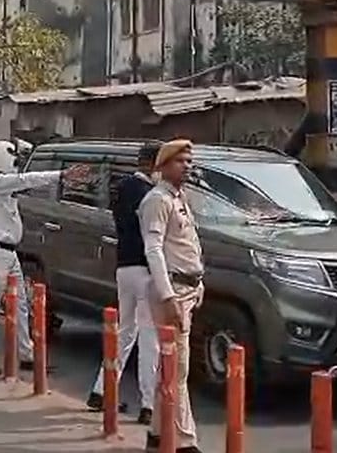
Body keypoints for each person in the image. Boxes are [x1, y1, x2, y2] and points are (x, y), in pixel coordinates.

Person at [0, 139, 73, 375]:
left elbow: (24, 182)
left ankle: (26, 354)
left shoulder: (1, 185)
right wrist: (61, 174)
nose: (16, 164)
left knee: (22, 304)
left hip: (8, 252)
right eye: (14, 159)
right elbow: (26, 180)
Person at [86, 140, 163, 425]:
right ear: (154, 163)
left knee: (125, 333)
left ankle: (100, 391)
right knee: (149, 338)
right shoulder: (151, 194)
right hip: (145, 269)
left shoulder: (123, 188)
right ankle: (148, 405)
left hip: (124, 268)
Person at [140, 139, 203, 453]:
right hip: (172, 291)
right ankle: (184, 442)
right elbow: (153, 250)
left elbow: (186, 245)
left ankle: (156, 433)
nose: (187, 166)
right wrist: (168, 296)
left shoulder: (180, 198)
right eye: (181, 161)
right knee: (178, 370)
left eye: (189, 161)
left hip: (187, 288)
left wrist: (198, 282)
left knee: (172, 367)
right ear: (163, 166)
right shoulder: (157, 200)